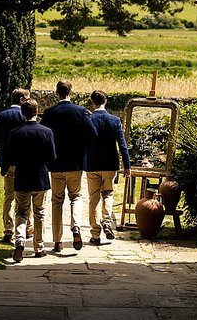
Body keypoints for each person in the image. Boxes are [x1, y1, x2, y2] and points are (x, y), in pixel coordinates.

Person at [39, 79, 97, 252]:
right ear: (71, 92)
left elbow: (42, 135)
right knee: (76, 196)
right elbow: (93, 134)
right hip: (76, 163)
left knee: (57, 201)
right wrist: (82, 146)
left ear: (57, 93)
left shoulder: (49, 113)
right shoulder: (81, 112)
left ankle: (57, 240)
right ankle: (76, 226)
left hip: (56, 163)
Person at [0, 99, 56, 262]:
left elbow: (8, 156)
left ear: (22, 114)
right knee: (39, 213)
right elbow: (52, 156)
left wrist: (4, 171)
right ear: (37, 112)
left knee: (21, 212)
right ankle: (39, 247)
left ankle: (19, 241)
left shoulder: (16, 132)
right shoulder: (47, 132)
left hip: (22, 177)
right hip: (40, 177)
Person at [85, 90, 131, 245]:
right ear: (106, 101)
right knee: (108, 194)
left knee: (94, 198)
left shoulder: (88, 119)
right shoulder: (114, 120)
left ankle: (95, 233)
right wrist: (127, 165)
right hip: (110, 164)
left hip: (92, 164)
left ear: (93, 102)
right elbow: (122, 145)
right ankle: (106, 221)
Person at [0, 88, 33, 243]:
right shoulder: (26, 116)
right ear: (22, 99)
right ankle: (26, 227)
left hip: (7, 162)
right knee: (24, 196)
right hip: (24, 162)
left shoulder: (1, 116)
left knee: (9, 196)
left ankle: (8, 230)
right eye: (27, 98)